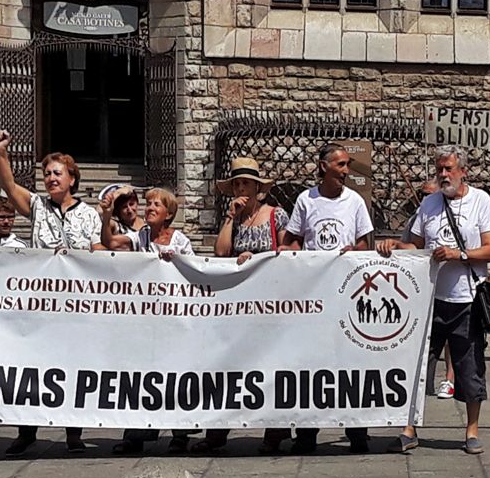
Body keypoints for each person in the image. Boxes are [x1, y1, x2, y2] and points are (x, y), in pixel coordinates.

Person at [376, 145, 490, 455]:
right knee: (417, 366)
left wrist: (458, 254)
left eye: (449, 169)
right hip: (430, 300)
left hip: (467, 300)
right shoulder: (430, 203)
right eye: (439, 169)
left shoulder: (480, 201)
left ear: (463, 171)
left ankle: (471, 429)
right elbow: (414, 246)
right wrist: (393, 245)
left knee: (469, 365)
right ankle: (410, 428)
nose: (443, 175)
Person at [0, 129, 102, 456]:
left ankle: (73, 432)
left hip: (77, 304)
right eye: (46, 174)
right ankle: (27, 430)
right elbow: (9, 187)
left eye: (57, 173)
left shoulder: (88, 214)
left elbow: (97, 250)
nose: (51, 179)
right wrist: (0, 152)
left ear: (72, 178)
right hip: (42, 303)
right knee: (33, 366)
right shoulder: (37, 206)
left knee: (74, 367)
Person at [277, 143, 374, 455]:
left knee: (351, 362)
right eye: (341, 165)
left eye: (347, 165)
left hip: (345, 293)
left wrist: (352, 253)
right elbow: (293, 240)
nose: (346, 171)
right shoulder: (307, 200)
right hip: (313, 294)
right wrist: (290, 251)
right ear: (323, 166)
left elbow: (363, 245)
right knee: (311, 364)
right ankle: (307, 433)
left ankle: (357, 431)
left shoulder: (355, 202)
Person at [192, 157, 289, 454]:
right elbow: (221, 251)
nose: (241, 188)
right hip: (239, 304)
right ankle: (218, 430)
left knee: (271, 365)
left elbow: (287, 253)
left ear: (257, 187)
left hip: (270, 301)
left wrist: (257, 259)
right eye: (236, 183)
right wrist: (230, 218)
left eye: (246, 183)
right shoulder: (233, 217)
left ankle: (275, 431)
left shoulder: (276, 215)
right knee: (229, 364)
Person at [104, 188, 197, 455]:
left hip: (174, 319)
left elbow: (193, 273)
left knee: (177, 375)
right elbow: (110, 243)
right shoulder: (140, 236)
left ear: (168, 213)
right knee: (143, 375)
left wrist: (176, 261)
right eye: (149, 204)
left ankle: (181, 435)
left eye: (157, 204)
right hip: (145, 320)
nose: (150, 208)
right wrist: (106, 216)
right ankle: (136, 434)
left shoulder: (180, 241)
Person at [405, 179, 457, 400]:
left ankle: (450, 380)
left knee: (452, 341)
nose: (425, 198)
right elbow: (410, 247)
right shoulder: (419, 216)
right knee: (428, 341)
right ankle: (424, 384)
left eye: (429, 194)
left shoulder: (456, 214)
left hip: (453, 287)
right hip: (425, 287)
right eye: (422, 194)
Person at [95, 184, 144, 251]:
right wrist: (117, 193)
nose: (129, 210)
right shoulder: (114, 225)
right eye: (124, 207)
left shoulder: (147, 224)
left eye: (132, 204)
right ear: (118, 210)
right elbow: (99, 211)